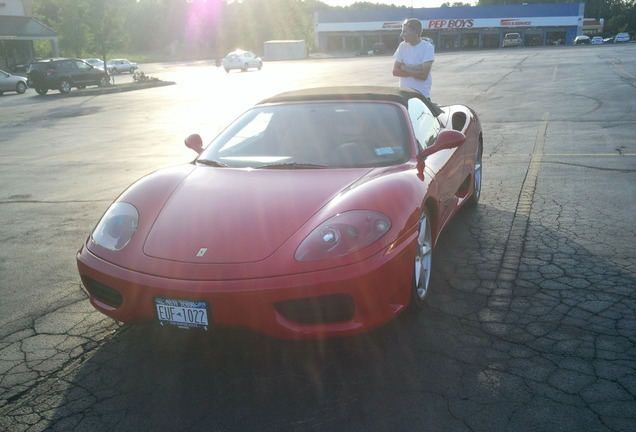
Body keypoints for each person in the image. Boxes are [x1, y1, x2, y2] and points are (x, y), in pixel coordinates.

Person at [392, 18, 435, 99]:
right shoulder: (402, 46)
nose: (401, 34)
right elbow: (395, 72)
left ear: (414, 31)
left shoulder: (427, 47)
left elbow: (423, 76)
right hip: (404, 96)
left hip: (422, 97)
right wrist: (416, 71)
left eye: (405, 31)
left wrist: (404, 68)